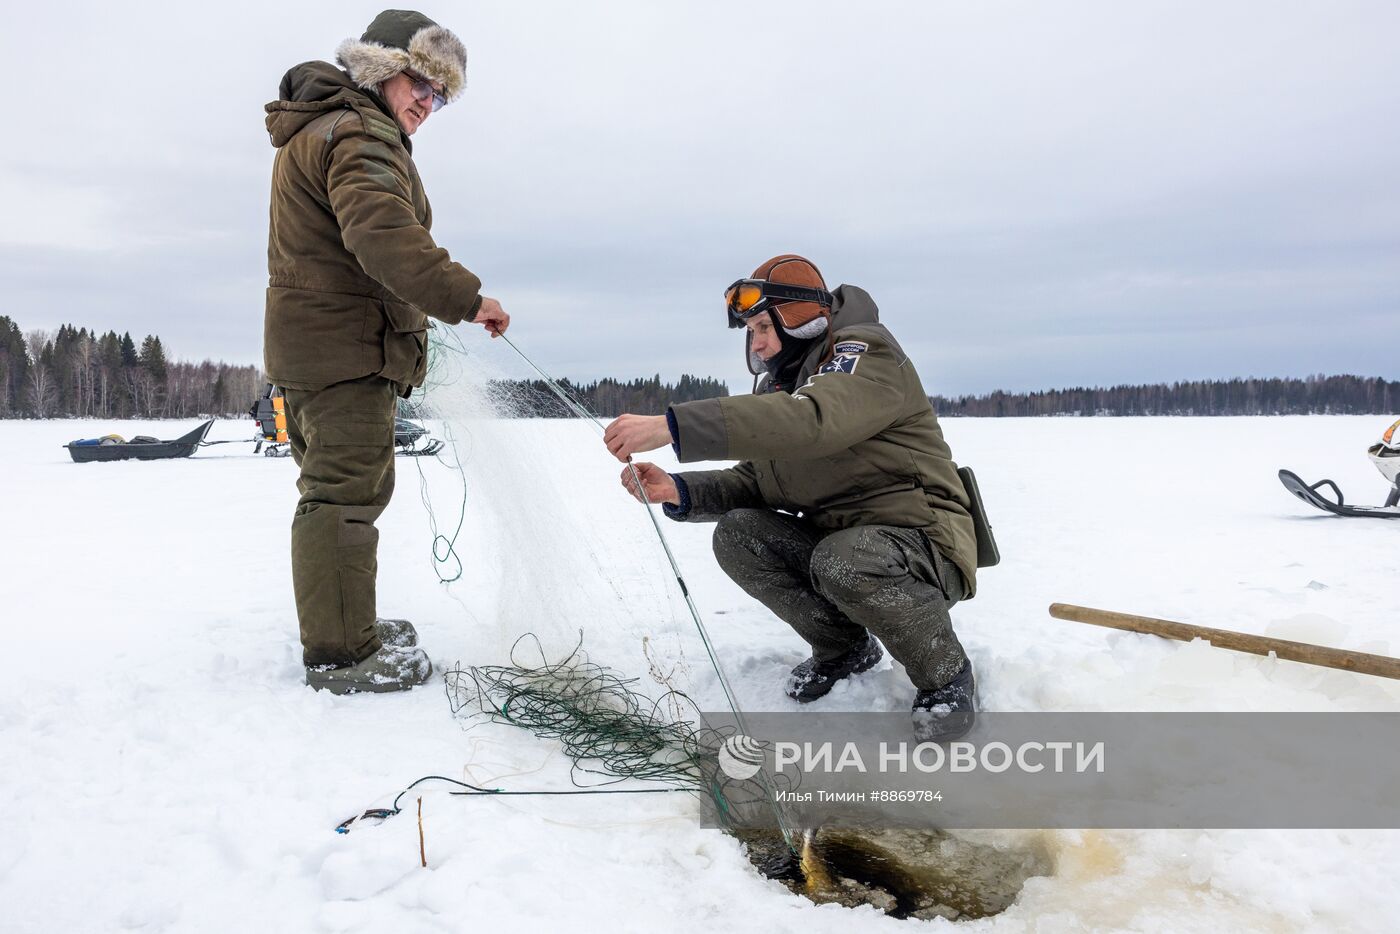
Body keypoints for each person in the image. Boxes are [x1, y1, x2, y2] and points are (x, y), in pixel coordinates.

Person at [603, 255, 980, 739]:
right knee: (741, 533)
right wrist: (678, 488)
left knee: (844, 558)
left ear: (799, 318)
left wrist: (671, 426)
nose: (756, 343)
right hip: (844, 552)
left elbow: (811, 421)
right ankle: (844, 649)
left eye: (762, 326)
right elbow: (760, 481)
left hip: (924, 547)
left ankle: (946, 677)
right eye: (749, 331)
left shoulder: (866, 353)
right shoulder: (786, 386)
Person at [264, 10, 509, 694]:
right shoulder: (362, 133)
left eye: (441, 95)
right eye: (421, 83)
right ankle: (344, 656)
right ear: (380, 68)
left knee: (340, 492)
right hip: (344, 352)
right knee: (344, 497)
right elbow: (383, 238)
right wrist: (468, 297)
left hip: (319, 349)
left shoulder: (327, 125)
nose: (428, 104)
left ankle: (348, 628)